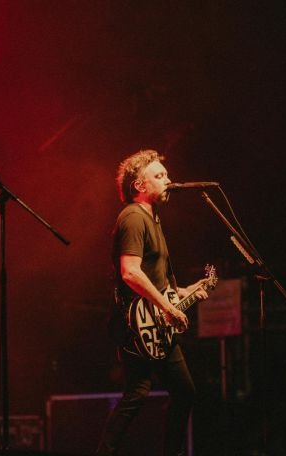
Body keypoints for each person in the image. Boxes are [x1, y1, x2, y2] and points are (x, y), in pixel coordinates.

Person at [97, 149, 208, 456]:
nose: (168, 180)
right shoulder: (133, 217)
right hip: (138, 325)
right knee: (137, 393)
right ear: (140, 186)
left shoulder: (153, 219)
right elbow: (130, 272)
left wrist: (184, 292)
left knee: (184, 392)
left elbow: (155, 280)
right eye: (159, 176)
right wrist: (169, 308)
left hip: (157, 323)